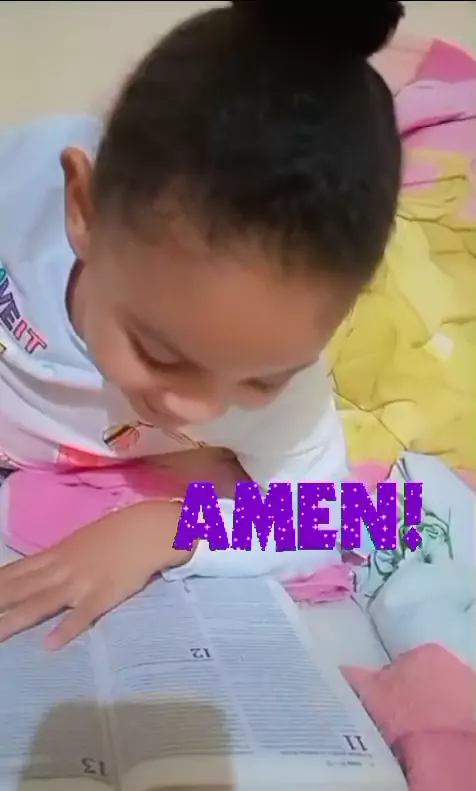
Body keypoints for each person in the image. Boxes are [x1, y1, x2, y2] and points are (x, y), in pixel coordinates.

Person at [0, 1, 403, 648]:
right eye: (159, 354)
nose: (200, 407)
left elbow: (338, 515)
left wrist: (170, 529)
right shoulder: (18, 200)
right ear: (84, 214)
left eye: (261, 381)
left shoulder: (281, 374)